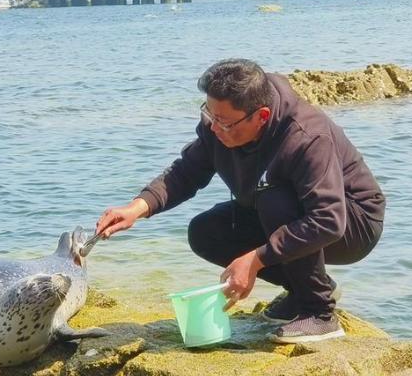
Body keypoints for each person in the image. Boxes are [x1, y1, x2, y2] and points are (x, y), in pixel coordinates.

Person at [95, 58, 385, 343]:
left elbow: (328, 220)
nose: (213, 127)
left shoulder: (306, 136)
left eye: (223, 122)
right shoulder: (218, 125)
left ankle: (320, 312)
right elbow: (187, 172)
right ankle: (305, 291)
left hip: (354, 223)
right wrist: (136, 209)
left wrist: (256, 260)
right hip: (286, 211)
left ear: (261, 116)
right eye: (209, 115)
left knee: (275, 199)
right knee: (206, 232)